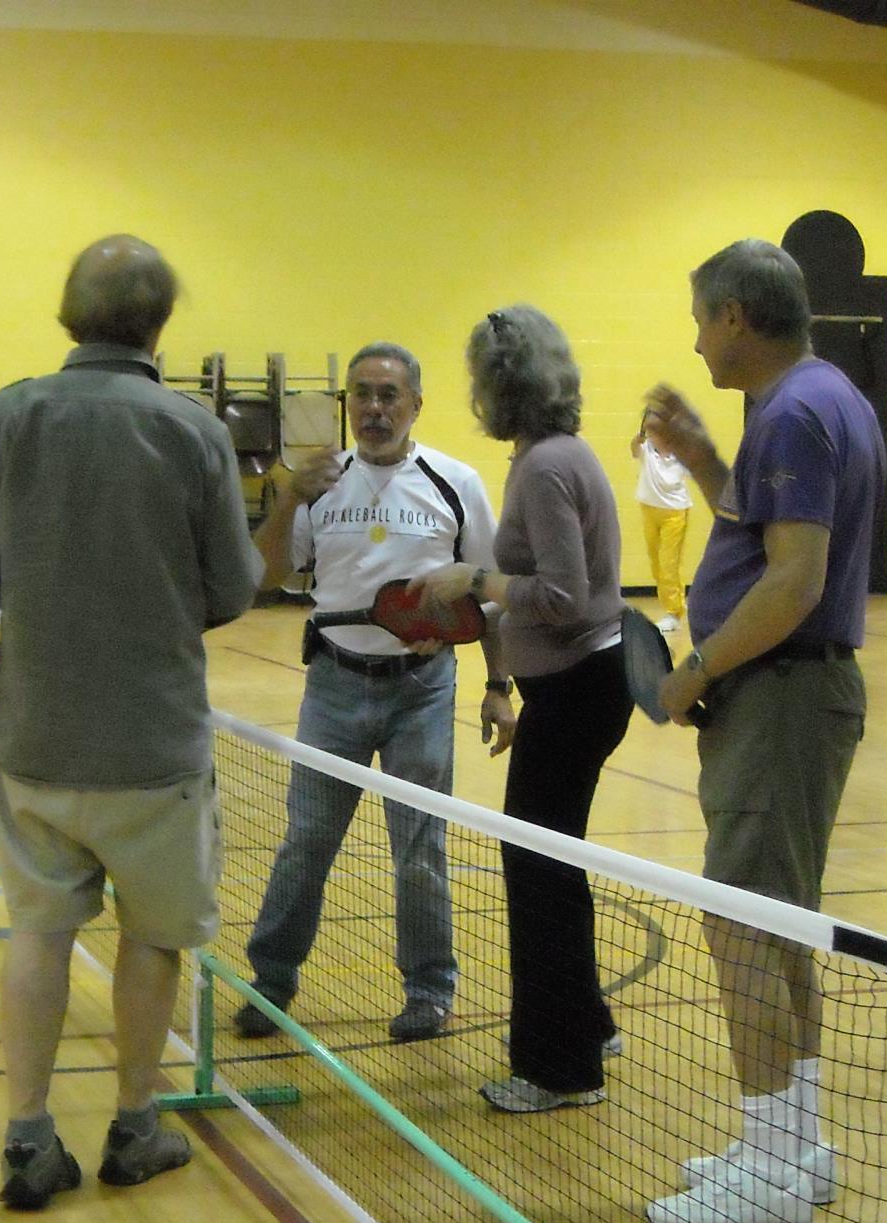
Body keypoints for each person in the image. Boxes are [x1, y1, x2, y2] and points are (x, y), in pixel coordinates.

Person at [0, 235, 254, 1212]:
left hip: (35, 736)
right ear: (161, 324)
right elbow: (233, 587)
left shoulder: (7, 419)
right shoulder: (193, 433)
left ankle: (28, 1140)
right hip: (153, 744)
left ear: (67, 314)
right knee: (151, 939)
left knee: (38, 934)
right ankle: (134, 1125)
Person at [641, 239, 881, 1223]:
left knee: (740, 922)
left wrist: (696, 669)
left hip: (780, 700)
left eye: (702, 318)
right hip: (786, 697)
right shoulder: (823, 398)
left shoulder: (790, 413)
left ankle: (775, 1173)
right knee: (776, 922)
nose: (697, 340)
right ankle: (795, 1143)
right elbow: (760, 531)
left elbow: (792, 580)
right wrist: (703, 461)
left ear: (738, 315)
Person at [234, 343, 513, 1045]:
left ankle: (429, 991)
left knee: (420, 849)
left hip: (422, 690)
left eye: (389, 395)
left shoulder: (456, 482)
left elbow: (490, 592)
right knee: (306, 842)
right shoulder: (319, 485)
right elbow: (265, 575)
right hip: (333, 685)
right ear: (348, 405)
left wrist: (499, 687)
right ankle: (270, 982)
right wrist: (289, 495)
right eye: (362, 394)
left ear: (416, 404)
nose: (375, 408)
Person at [411, 306, 632, 1115]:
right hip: (576, 688)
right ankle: (587, 1022)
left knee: (535, 872)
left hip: (577, 690)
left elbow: (568, 598)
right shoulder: (558, 455)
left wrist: (478, 582)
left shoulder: (542, 468)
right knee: (552, 861)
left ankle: (559, 1068)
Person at [630, 408, 692, 632]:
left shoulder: (680, 451)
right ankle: (671, 606)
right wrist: (638, 439)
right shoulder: (645, 448)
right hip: (649, 508)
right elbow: (634, 449)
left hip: (674, 513)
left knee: (668, 565)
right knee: (656, 565)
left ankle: (674, 612)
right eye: (649, 428)